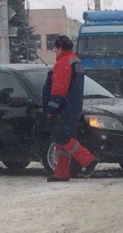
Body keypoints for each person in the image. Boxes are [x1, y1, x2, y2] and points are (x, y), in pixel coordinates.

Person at [43, 35, 98, 182]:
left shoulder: (64, 63)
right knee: (60, 139)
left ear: (60, 48)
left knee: (63, 137)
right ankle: (61, 173)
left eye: (55, 48)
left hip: (64, 107)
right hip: (73, 106)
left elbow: (59, 89)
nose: (55, 51)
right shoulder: (75, 61)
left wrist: (51, 109)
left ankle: (88, 159)